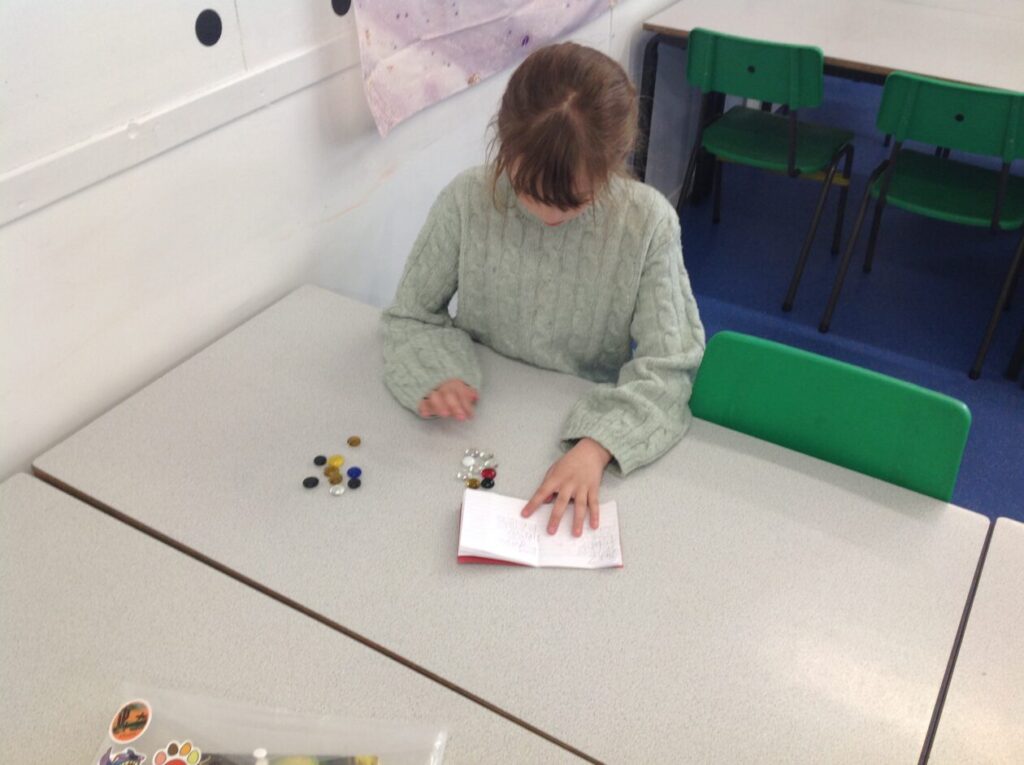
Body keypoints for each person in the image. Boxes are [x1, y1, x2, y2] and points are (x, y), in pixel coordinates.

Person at [382, 41, 705, 537]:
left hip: (573, 432)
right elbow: (411, 315)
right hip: (477, 422)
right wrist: (436, 370)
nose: (547, 214)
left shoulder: (647, 223)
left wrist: (598, 445)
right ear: (504, 145)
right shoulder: (467, 199)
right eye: (527, 189)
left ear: (615, 164)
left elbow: (672, 366)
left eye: (574, 201)